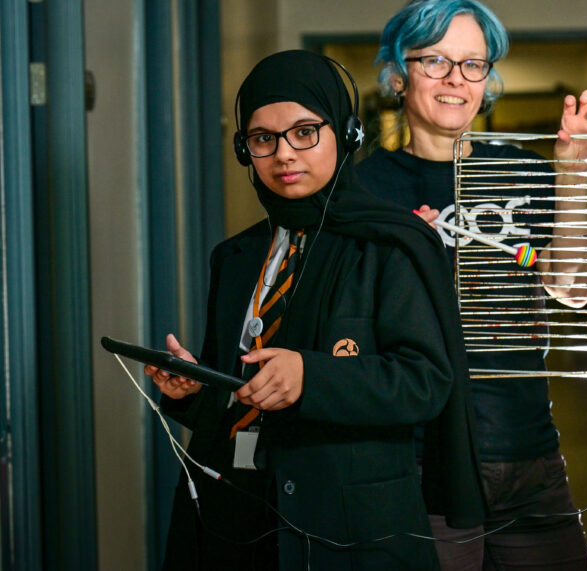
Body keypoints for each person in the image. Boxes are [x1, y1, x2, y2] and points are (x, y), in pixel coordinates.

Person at [144, 49, 484, 570]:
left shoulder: (391, 246)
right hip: (236, 516)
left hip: (348, 527)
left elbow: (425, 381)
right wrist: (193, 389)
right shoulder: (235, 257)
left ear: (346, 135)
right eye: (263, 139)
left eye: (305, 132)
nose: (284, 154)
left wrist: (311, 376)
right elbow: (234, 388)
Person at [356, 0, 587, 570]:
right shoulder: (366, 190)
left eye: (472, 63)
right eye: (435, 60)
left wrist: (573, 175)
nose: (456, 78)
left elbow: (574, 289)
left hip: (530, 456)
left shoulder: (524, 170)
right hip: (420, 463)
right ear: (398, 75)